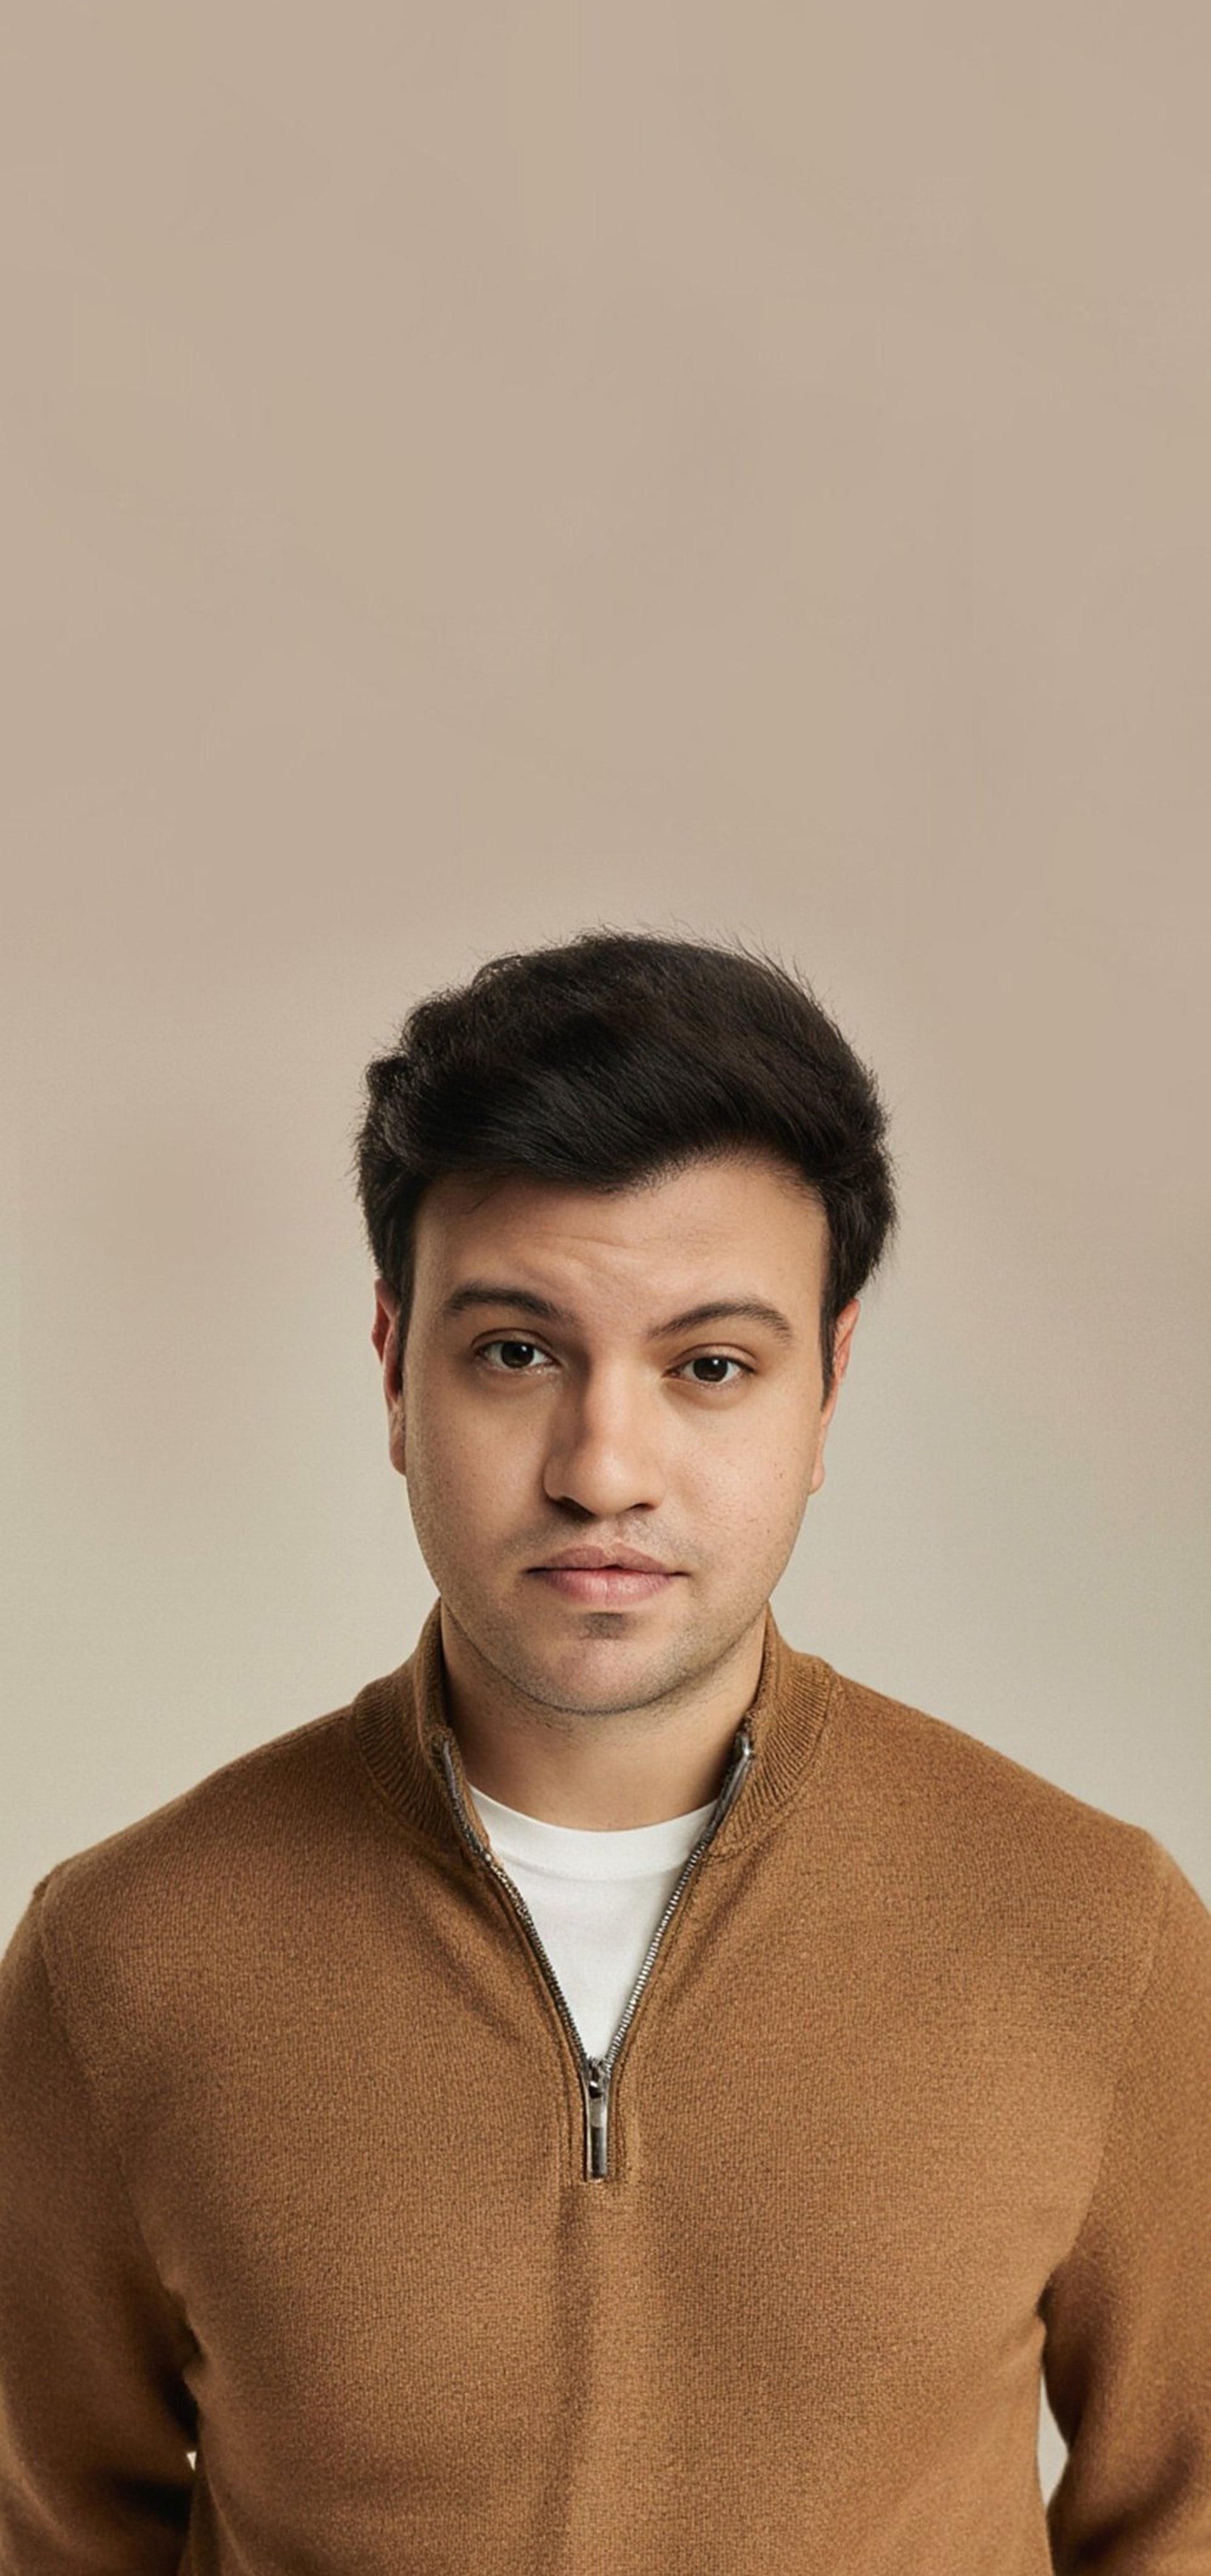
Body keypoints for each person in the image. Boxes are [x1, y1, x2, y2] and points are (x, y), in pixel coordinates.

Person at [1, 926, 1208, 2575]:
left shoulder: (1096, 1932)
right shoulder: (123, 1959)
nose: (603, 1467)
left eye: (710, 1366)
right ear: (393, 1371)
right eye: (517, 1353)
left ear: (829, 1388)